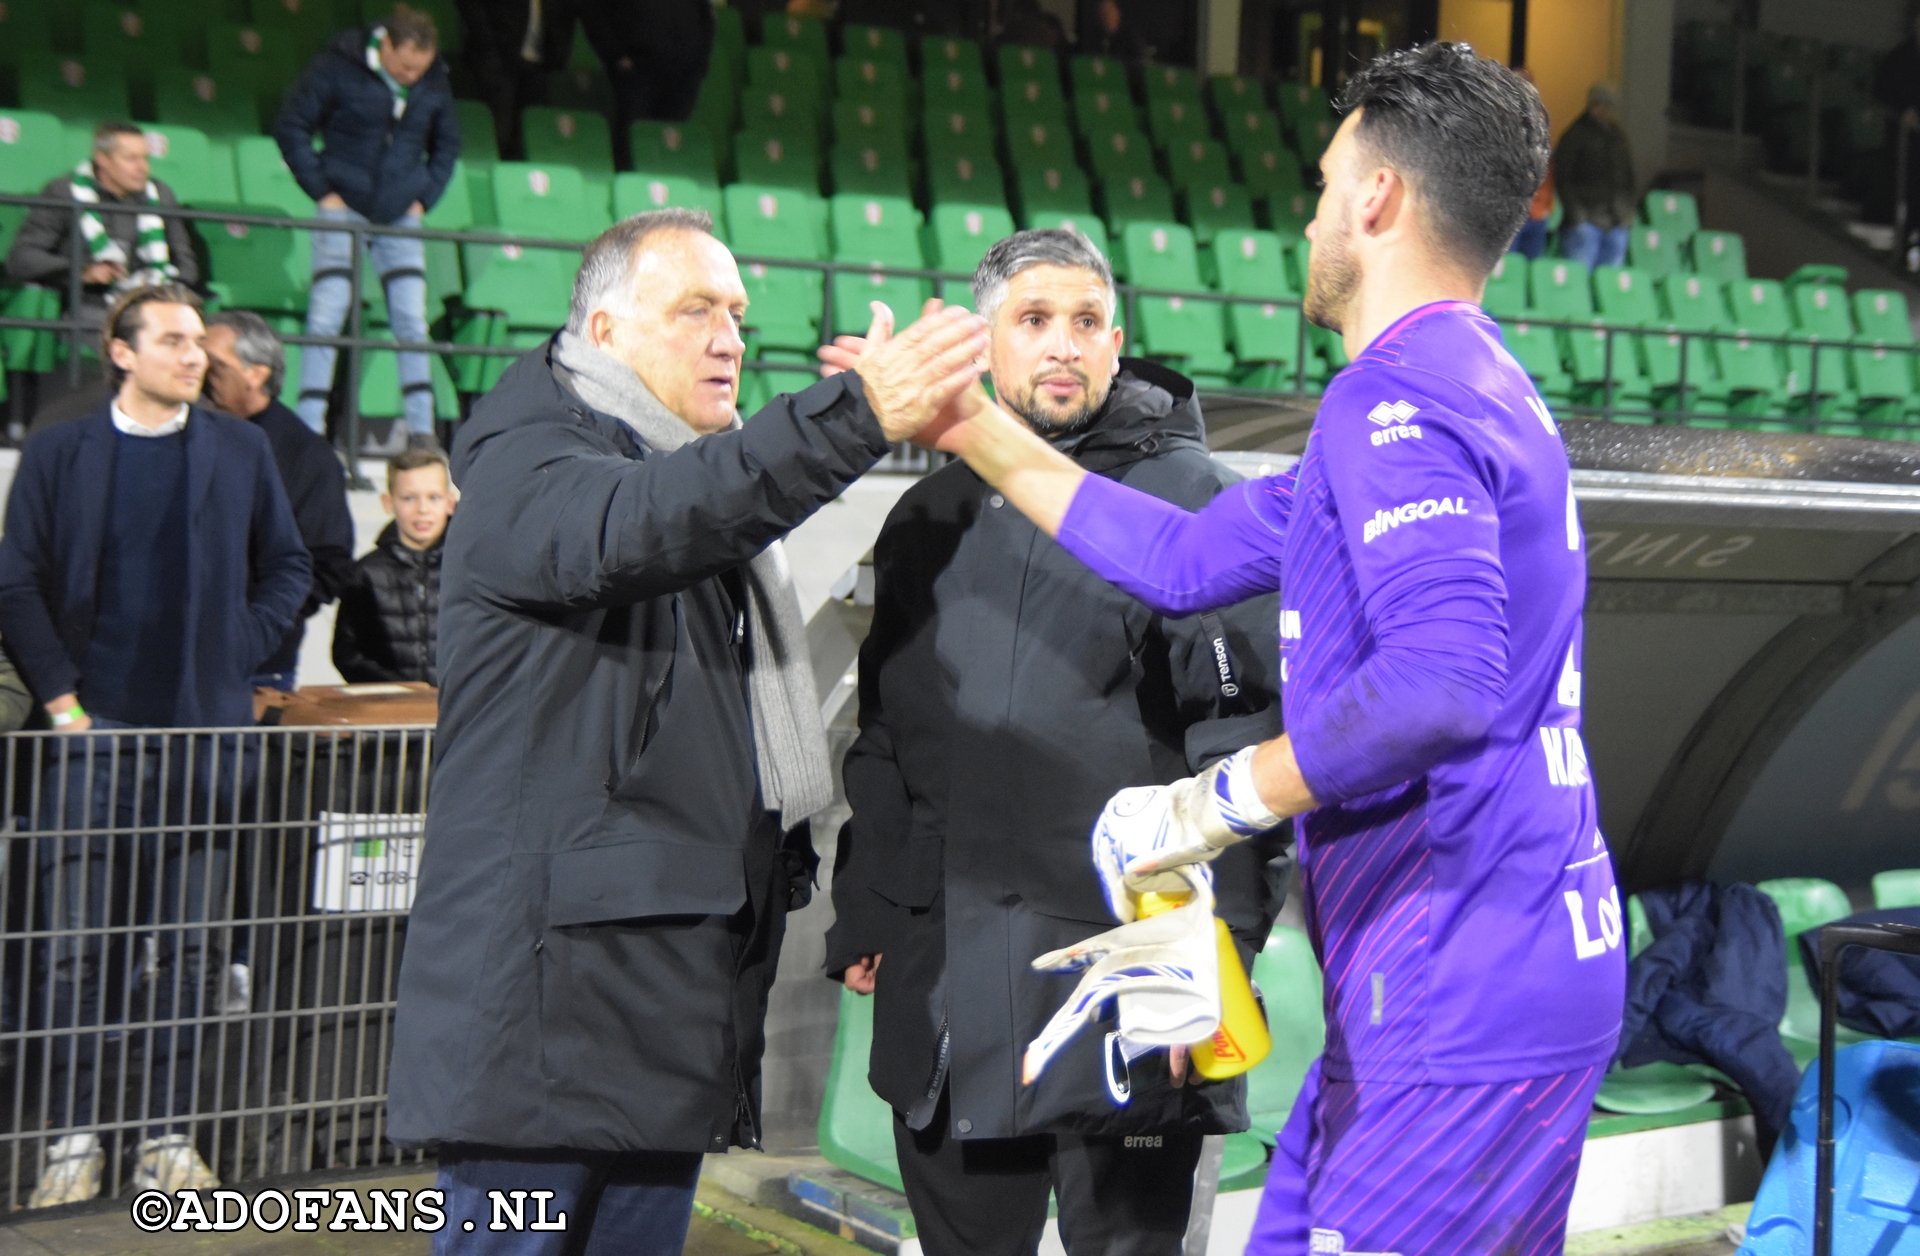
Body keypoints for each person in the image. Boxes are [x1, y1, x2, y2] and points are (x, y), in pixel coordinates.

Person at [867, 44, 1627, 1254]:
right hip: (1495, 955)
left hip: (1458, 967)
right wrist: (970, 428)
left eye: (1328, 184)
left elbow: (1442, 676)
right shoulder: (1466, 383)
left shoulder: (1400, 398)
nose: (1314, 212)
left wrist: (1209, 803)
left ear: (1378, 199)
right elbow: (1179, 555)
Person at [383, 207, 989, 1254]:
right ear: (605, 331)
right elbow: (648, 520)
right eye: (696, 309)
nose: (729, 337)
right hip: (549, 1010)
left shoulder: (684, 481)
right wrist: (853, 416)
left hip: (660, 996)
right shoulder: (536, 467)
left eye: (741, 314)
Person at [823, 227, 1288, 1256]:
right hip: (953, 987)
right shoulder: (923, 518)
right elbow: (889, 736)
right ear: (989, 343)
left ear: (1118, 343)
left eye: (1085, 323)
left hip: (1135, 986)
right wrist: (866, 899)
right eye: (1034, 322)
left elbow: (1244, 741)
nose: (1063, 345)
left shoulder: (1190, 501)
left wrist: (1222, 962)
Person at [0, 285, 311, 1208]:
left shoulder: (240, 446)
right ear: (120, 351)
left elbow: (289, 564)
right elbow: (14, 585)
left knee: (186, 954)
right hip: (92, 744)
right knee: (76, 954)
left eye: (199, 342)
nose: (196, 356)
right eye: (173, 341)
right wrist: (62, 703)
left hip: (202, 744)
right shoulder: (62, 449)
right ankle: (71, 1141)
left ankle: (165, 1140)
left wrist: (235, 648)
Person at [273, 3, 460, 450]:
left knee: (412, 323)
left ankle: (421, 433)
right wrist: (322, 191)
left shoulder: (434, 78)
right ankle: (309, 433)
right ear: (387, 45)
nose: (414, 75)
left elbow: (448, 144)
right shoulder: (337, 65)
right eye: (407, 66)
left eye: (422, 68)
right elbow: (291, 125)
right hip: (343, 207)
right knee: (326, 316)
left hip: (400, 215)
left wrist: (423, 199)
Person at [202, 310, 358, 692]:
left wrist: (258, 630)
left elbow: (326, 561)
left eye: (215, 365)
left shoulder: (306, 457)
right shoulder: (184, 432)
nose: (198, 370)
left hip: (258, 668)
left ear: (257, 374)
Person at [5, 122, 200, 332]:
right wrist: (83, 271)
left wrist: (159, 287)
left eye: (145, 158)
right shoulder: (64, 192)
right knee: (131, 334)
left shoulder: (160, 195)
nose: (142, 167)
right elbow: (22, 258)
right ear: (102, 159)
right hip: (88, 304)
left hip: (152, 303)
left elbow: (187, 265)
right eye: (131, 159)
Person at [332, 449, 454, 684]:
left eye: (434, 497)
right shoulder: (366, 573)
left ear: (450, 503)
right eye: (409, 498)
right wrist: (398, 690)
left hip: (460, 710)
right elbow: (347, 654)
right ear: (388, 503)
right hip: (391, 710)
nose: (423, 509)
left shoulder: (470, 570)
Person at [574, 0, 714, 170]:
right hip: (638, 72)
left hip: (683, 75)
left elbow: (706, 17)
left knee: (668, 148)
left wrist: (700, 64)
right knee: (632, 144)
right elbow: (593, 13)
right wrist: (615, 56)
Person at [1555, 82, 1635, 270]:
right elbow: (1563, 180)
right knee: (1579, 286)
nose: (1616, 113)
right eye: (1612, 107)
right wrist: (1578, 216)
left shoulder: (1620, 138)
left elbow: (1629, 178)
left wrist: (1627, 214)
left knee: (1609, 288)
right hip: (1585, 225)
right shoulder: (1574, 136)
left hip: (1617, 223)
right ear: (1598, 106)